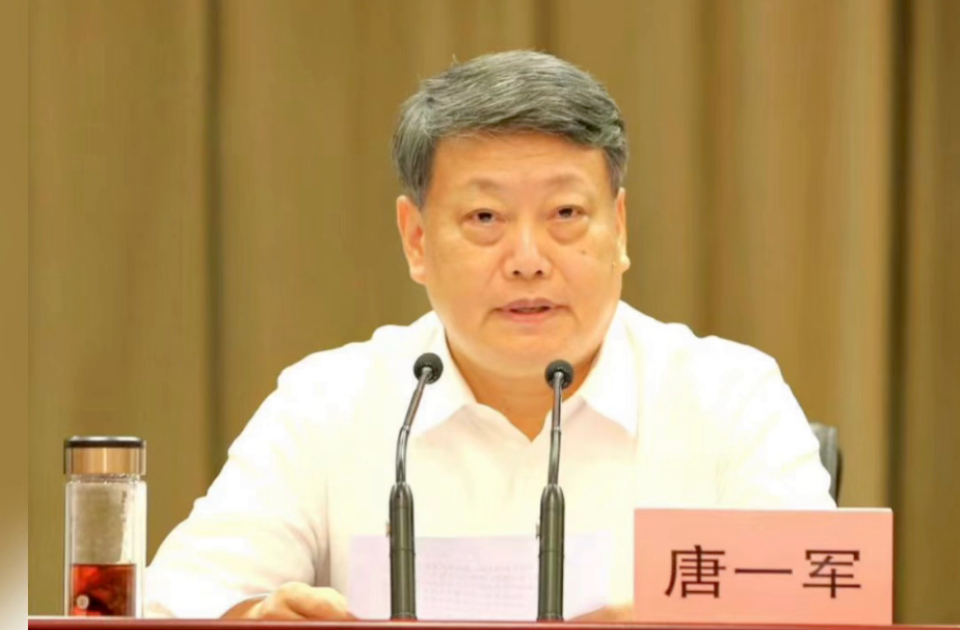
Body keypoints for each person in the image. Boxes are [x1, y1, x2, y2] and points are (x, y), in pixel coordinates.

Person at [144, 50, 835, 621]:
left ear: (619, 228)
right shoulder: (328, 402)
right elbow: (179, 599)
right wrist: (252, 619)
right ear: (416, 240)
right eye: (485, 218)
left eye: (566, 213)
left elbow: (823, 603)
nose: (528, 258)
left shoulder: (729, 397)